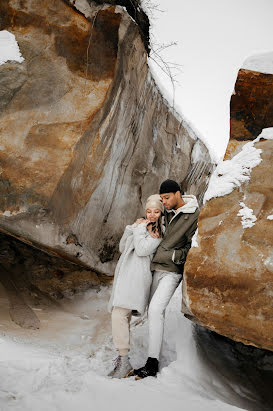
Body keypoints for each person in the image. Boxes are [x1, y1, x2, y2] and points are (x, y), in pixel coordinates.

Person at [134, 179, 199, 379]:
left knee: (156, 310)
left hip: (172, 271)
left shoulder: (193, 215)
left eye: (167, 197)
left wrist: (174, 257)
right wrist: (141, 224)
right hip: (155, 268)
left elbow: (192, 245)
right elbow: (153, 217)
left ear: (178, 193)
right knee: (146, 309)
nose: (165, 202)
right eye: (162, 198)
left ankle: (152, 364)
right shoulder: (166, 211)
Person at [108, 194, 164, 378]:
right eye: (149, 211)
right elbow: (123, 247)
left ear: (161, 213)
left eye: (156, 211)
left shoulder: (158, 231)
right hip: (126, 275)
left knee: (119, 314)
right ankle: (123, 360)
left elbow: (142, 250)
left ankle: (124, 360)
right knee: (122, 316)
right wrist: (131, 228)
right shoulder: (142, 227)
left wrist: (140, 229)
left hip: (138, 277)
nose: (152, 215)